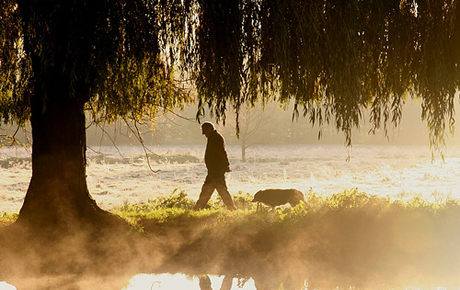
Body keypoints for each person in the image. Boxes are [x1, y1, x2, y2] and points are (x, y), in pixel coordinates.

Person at [193, 121, 237, 210]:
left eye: (204, 130)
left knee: (221, 189)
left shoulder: (216, 138)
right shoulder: (213, 137)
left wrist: (226, 165)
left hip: (216, 170)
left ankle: (232, 207)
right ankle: (198, 207)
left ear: (209, 129)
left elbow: (222, 152)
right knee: (207, 189)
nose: (203, 133)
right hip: (213, 170)